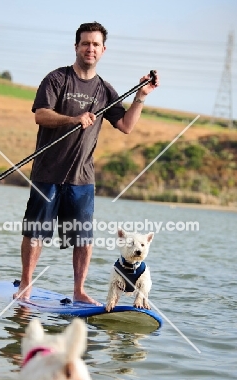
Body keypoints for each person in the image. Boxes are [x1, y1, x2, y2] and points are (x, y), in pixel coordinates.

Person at [15, 21, 159, 304]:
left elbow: (126, 125)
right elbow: (41, 115)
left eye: (95, 44)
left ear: (103, 50)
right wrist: (73, 119)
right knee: (36, 233)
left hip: (82, 178)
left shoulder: (105, 90)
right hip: (48, 172)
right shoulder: (57, 79)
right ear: (76, 47)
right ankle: (26, 285)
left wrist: (141, 97)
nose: (90, 48)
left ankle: (79, 290)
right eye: (85, 43)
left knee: (83, 238)